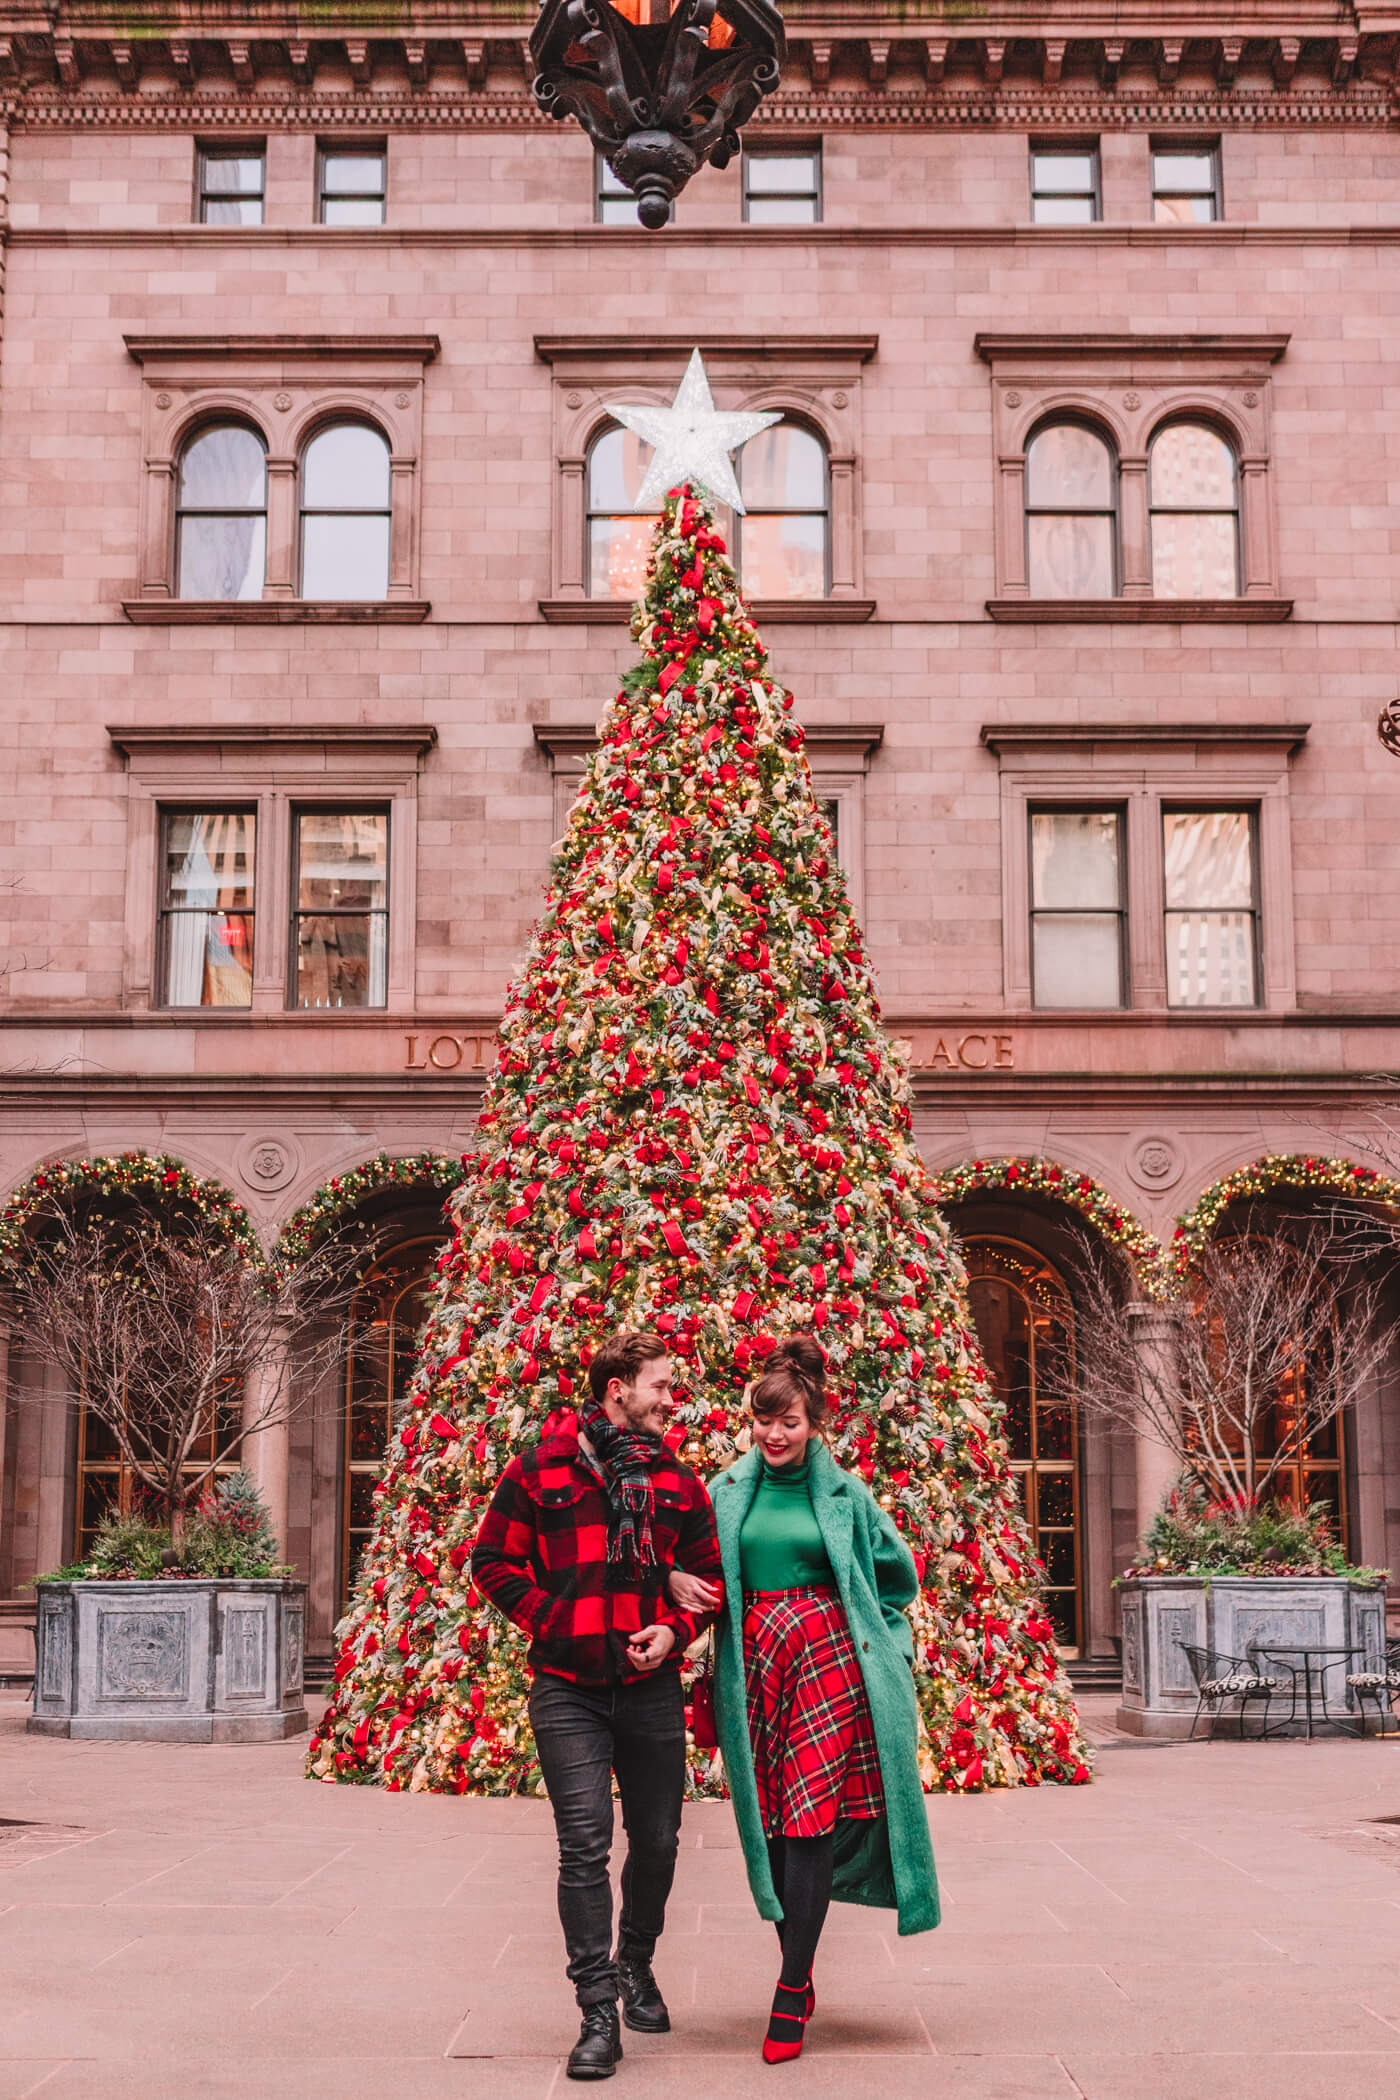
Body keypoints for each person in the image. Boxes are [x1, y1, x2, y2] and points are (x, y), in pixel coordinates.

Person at [670, 1334, 939, 2064]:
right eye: (764, 1420)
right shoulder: (726, 1491)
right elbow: (693, 1569)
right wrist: (673, 1587)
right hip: (756, 1672)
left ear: (814, 1423)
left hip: (830, 1668)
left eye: (788, 1421)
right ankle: (799, 1962)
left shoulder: (848, 1496)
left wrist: (894, 1653)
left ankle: (791, 1989)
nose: (774, 1434)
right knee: (777, 1828)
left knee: (813, 1821)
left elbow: (897, 1582)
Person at [472, 1329, 723, 2082]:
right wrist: (551, 1619)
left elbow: (708, 1579)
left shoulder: (677, 1482)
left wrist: (674, 1630)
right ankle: (596, 2008)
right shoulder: (540, 1468)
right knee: (583, 1845)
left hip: (647, 1690)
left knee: (658, 1842)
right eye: (660, 1386)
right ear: (619, 1389)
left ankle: (636, 1963)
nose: (669, 1399)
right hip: (567, 1688)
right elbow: (492, 1560)